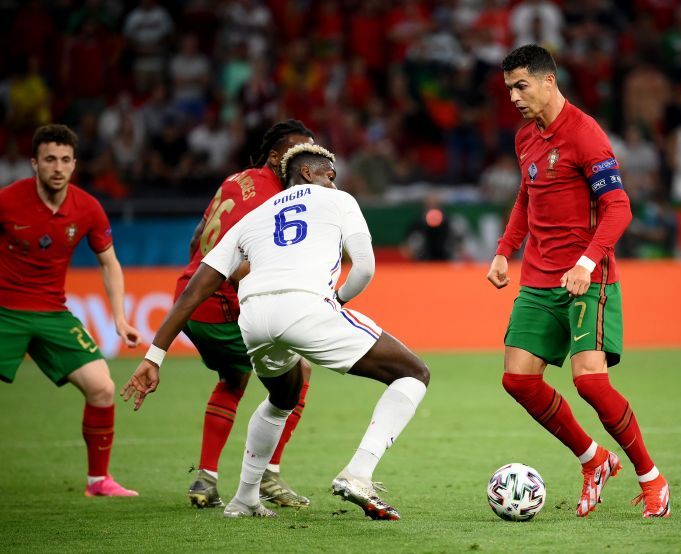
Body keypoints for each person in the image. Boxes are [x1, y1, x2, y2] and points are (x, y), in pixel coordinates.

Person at [123, 143, 430, 520]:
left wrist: (155, 356)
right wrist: (337, 300)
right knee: (414, 374)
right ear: (311, 173)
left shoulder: (253, 217)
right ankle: (359, 474)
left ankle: (246, 498)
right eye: (330, 175)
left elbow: (194, 289)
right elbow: (364, 269)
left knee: (283, 397)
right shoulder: (339, 201)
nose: (334, 182)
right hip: (305, 306)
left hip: (252, 319)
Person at [486, 45, 671, 519]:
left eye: (521, 85)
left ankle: (651, 478)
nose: (513, 97)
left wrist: (587, 262)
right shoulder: (526, 137)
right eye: (508, 88)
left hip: (589, 277)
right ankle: (594, 459)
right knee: (517, 380)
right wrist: (505, 252)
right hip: (539, 278)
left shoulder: (586, 134)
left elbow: (619, 208)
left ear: (549, 81)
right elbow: (525, 200)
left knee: (590, 382)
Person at [174, 120, 316, 509]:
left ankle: (205, 478)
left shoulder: (237, 180)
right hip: (220, 303)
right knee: (299, 371)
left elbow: (197, 236)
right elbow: (236, 268)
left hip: (189, 299)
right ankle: (268, 475)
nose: (307, 163)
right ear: (275, 157)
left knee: (234, 377)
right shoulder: (272, 201)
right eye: (297, 155)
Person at [0, 124, 141, 497]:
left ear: (75, 164)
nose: (58, 167)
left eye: (65, 160)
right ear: (34, 163)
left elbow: (109, 263)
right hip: (4, 311)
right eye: (49, 159)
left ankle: (99, 481)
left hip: (52, 314)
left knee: (102, 387)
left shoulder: (88, 208)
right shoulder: (7, 201)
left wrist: (120, 317)